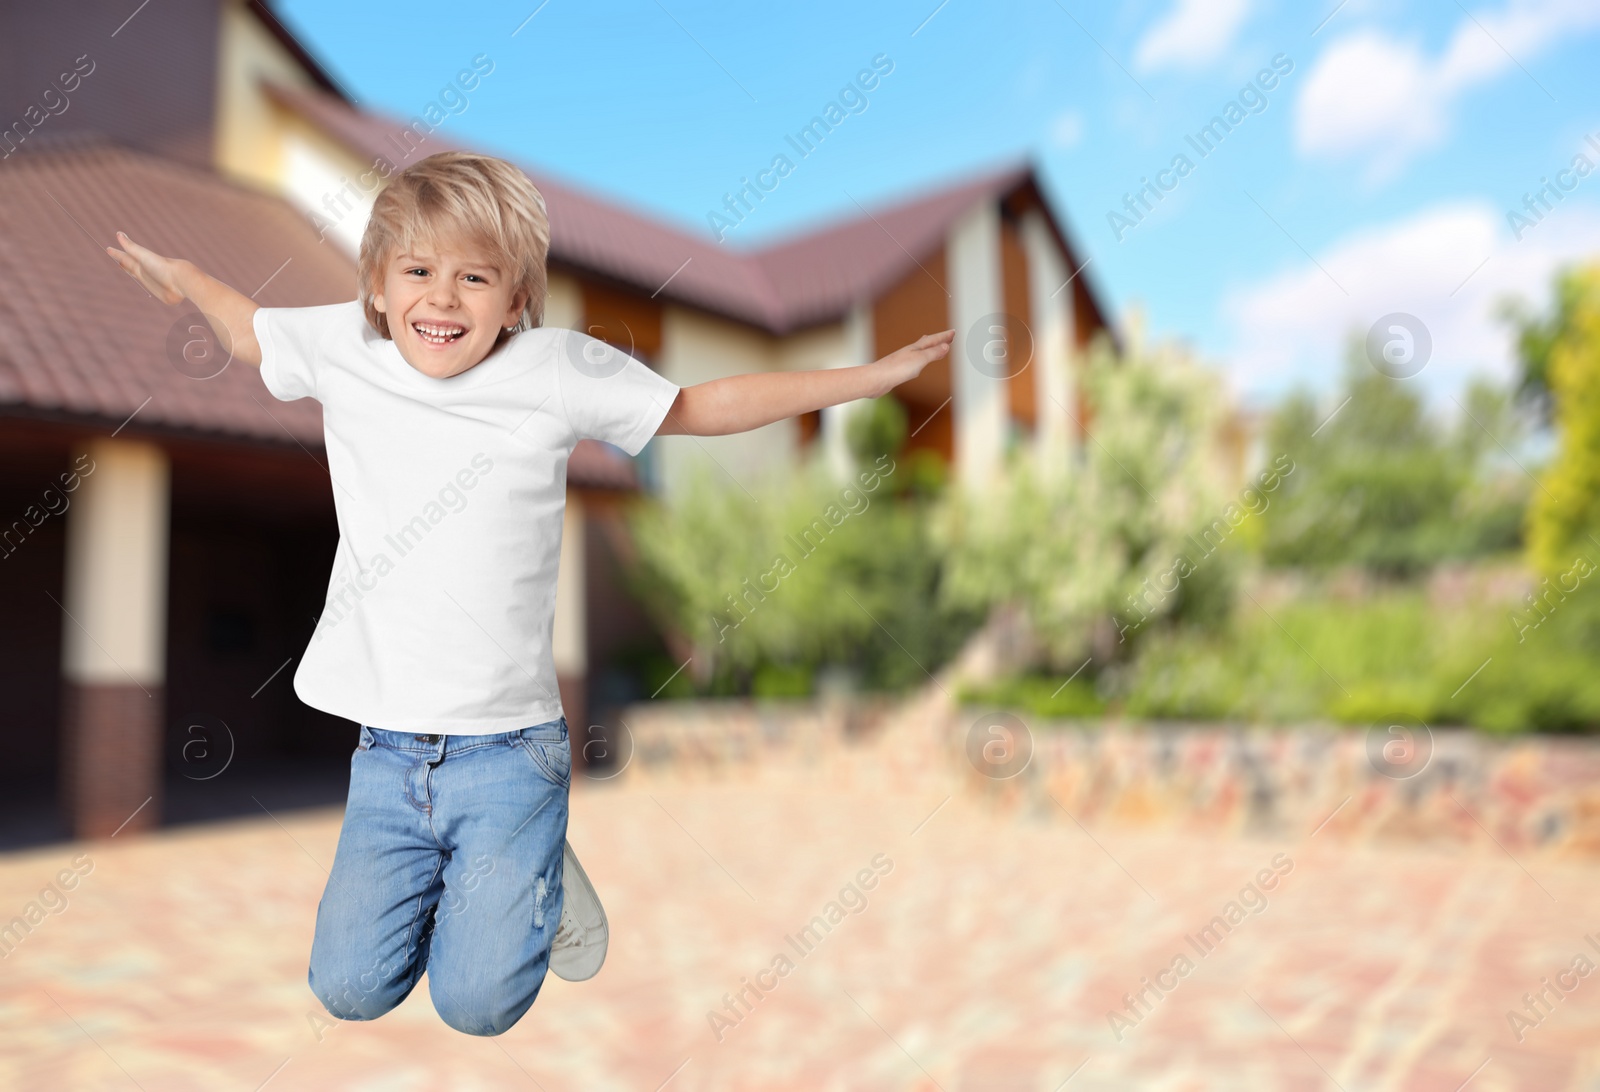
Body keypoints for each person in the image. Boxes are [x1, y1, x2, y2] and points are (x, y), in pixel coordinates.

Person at [106, 150, 953, 1036]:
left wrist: (867, 379)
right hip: (389, 756)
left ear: (515, 301)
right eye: (419, 272)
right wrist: (184, 277)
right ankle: (489, 876)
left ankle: (528, 857)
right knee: (349, 991)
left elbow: (702, 406)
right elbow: (248, 330)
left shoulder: (555, 368)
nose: (442, 298)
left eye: (476, 278)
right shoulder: (345, 348)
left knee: (477, 1007)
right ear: (379, 288)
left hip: (511, 753)